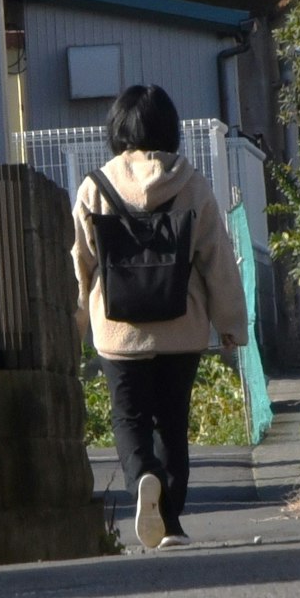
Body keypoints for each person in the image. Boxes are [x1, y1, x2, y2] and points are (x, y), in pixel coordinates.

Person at [68, 83, 249, 550]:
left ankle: (143, 478)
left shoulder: (96, 186)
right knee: (172, 422)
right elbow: (217, 259)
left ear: (117, 130)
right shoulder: (191, 184)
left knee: (129, 419)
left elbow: (79, 262)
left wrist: (75, 323)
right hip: (181, 329)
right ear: (171, 131)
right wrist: (230, 325)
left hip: (118, 331)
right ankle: (170, 522)